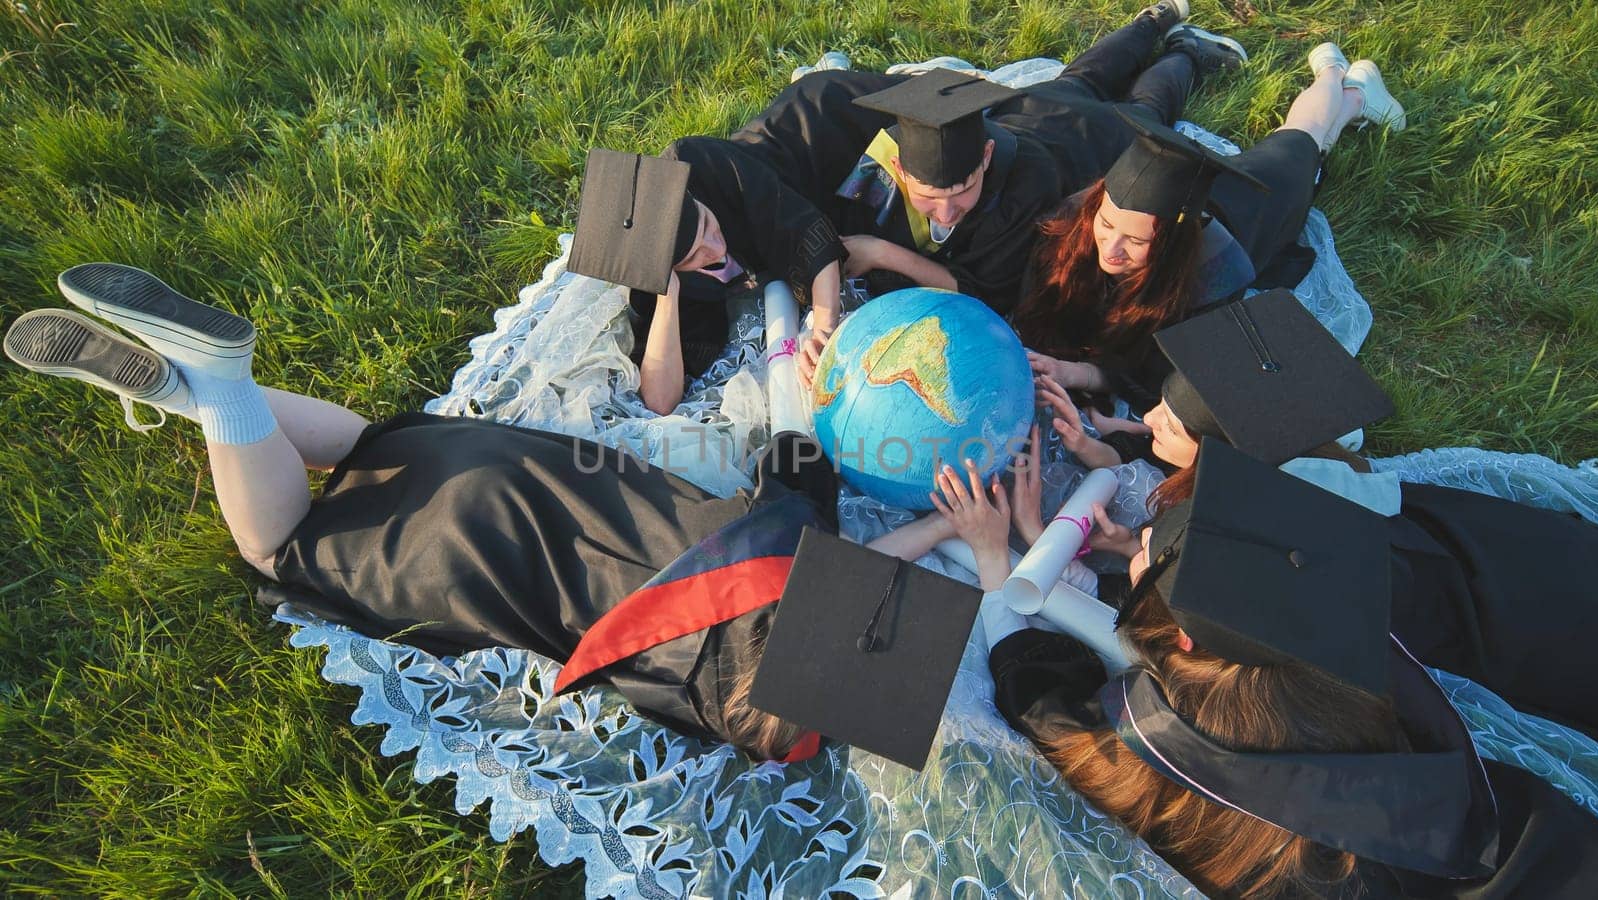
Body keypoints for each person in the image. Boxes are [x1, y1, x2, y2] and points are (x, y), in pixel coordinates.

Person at [6, 262, 845, 760]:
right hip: (469, 549)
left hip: (508, 467)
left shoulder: (787, 534)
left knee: (372, 446)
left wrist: (960, 531)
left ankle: (193, 389)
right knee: (278, 550)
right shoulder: (710, 694)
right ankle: (221, 395)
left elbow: (796, 463)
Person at [983, 440, 1598, 898]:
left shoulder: (1166, 763)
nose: (1137, 554)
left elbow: (1039, 696)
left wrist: (992, 557)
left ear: (1186, 640)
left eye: (1144, 557)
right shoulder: (1363, 698)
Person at [1050, 291, 1598, 737]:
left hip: (1465, 620)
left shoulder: (1282, 537)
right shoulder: (1283, 463)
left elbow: (1199, 631)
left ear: (1219, 453)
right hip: (1488, 548)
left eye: (1169, 424)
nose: (1147, 419)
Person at [730, 1, 1250, 381]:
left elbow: (983, 291)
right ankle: (1149, 20)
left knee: (1145, 108)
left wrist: (886, 252)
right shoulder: (879, 168)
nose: (947, 210)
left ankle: (1182, 49)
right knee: (1082, 76)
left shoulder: (1026, 195)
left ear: (984, 158)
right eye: (927, 195)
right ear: (902, 168)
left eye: (962, 190)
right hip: (1032, 107)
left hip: (1082, 142)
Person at [1019, 43, 1406, 413]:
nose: (1111, 248)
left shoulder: (1213, 271)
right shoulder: (1073, 220)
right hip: (1182, 194)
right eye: (1106, 223)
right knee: (1314, 152)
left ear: (1171, 245)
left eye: (1136, 240)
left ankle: (1337, 75)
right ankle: (1354, 96)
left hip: (1255, 208)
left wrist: (1083, 374)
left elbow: (1159, 372)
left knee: (1301, 139)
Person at [567, 146, 844, 414]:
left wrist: (822, 332)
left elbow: (808, 237)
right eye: (695, 255)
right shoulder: (654, 279)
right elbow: (661, 401)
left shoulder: (698, 166)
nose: (716, 248)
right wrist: (668, 295)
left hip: (810, 151)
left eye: (707, 224)